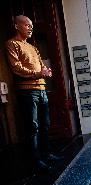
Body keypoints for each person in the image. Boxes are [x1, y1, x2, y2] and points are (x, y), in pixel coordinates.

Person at [6, 15, 62, 172]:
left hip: (42, 89)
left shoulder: (33, 47)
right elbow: (16, 68)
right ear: (17, 26)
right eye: (27, 25)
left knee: (45, 124)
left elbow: (41, 67)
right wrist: (39, 73)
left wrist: (46, 71)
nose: (30, 28)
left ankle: (47, 154)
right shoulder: (12, 44)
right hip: (27, 91)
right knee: (32, 126)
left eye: (31, 25)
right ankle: (35, 161)